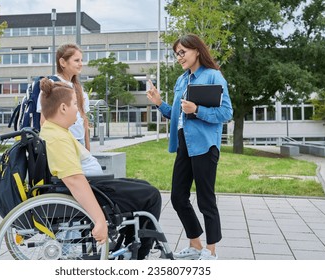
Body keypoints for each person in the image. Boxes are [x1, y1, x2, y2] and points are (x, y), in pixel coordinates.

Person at [39, 78, 162, 259]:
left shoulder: (55, 130)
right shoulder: (58, 138)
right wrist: (99, 220)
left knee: (143, 185)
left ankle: (129, 246)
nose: (79, 111)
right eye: (75, 104)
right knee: (151, 195)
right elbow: (74, 180)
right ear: (63, 108)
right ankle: (139, 257)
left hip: (95, 184)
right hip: (93, 189)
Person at [147, 34, 233, 260]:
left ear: (196, 50)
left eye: (182, 52)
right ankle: (195, 244)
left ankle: (211, 250)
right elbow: (177, 114)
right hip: (184, 143)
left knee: (206, 198)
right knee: (177, 196)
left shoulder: (213, 76)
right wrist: (159, 103)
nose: (179, 57)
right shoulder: (181, 80)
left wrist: (197, 110)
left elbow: (226, 113)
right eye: (176, 54)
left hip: (205, 145)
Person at [37, 43, 91, 151]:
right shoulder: (52, 85)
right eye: (76, 60)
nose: (81, 64)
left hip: (79, 142)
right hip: (61, 143)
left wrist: (87, 149)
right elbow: (44, 121)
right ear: (62, 62)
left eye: (81, 60)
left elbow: (84, 120)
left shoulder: (79, 88)